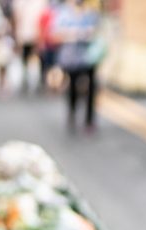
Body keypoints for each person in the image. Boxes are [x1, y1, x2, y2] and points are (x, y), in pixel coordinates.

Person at [53, 0, 100, 132]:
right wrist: (72, 34)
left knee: (91, 88)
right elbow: (55, 35)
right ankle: (72, 113)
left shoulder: (91, 14)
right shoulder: (64, 14)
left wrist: (88, 34)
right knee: (72, 87)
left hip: (88, 58)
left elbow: (97, 33)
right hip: (71, 58)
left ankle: (89, 120)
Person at [12, 0, 47, 93]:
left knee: (40, 58)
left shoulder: (41, 2)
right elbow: (17, 18)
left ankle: (41, 80)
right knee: (25, 58)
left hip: (37, 34)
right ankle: (25, 79)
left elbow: (43, 18)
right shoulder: (19, 2)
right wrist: (17, 36)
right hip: (24, 35)